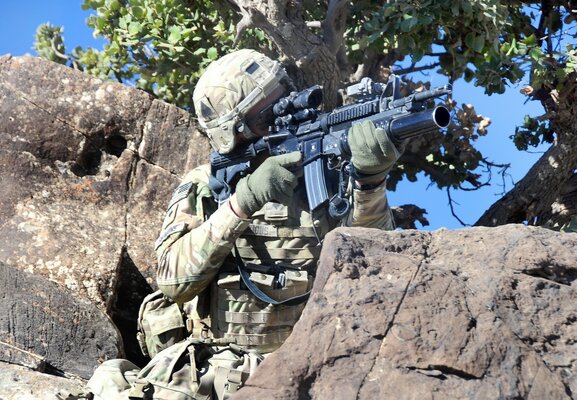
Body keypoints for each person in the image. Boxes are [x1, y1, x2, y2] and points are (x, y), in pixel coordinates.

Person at [87, 48, 400, 400]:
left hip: (310, 367)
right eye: (267, 116)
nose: (286, 115)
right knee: (111, 381)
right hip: (217, 373)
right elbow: (173, 280)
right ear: (231, 135)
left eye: (286, 99)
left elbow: (375, 269)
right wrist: (243, 202)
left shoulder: (330, 173)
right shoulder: (207, 186)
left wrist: (370, 182)